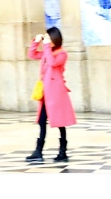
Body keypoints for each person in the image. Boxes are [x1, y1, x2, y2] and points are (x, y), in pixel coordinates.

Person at [26, 27, 77, 163]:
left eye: (48, 38)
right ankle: (38, 151)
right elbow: (32, 55)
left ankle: (63, 151)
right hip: (45, 93)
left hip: (56, 93)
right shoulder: (48, 52)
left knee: (60, 122)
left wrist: (47, 46)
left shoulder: (62, 54)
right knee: (42, 121)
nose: (46, 41)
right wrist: (35, 42)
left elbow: (53, 62)